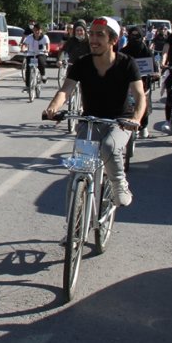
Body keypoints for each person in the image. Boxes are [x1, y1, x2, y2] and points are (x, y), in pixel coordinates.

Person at [43, 17, 145, 207]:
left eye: (100, 35)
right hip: (90, 121)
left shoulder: (127, 63)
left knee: (109, 146)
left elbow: (140, 95)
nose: (93, 39)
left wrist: (136, 118)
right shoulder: (82, 63)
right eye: (91, 34)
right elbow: (66, 89)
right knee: (77, 172)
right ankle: (72, 230)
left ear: (113, 40)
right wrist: (54, 107)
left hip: (120, 122)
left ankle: (119, 184)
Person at [120, 26, 154, 138]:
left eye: (137, 36)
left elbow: (153, 67)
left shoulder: (147, 52)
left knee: (143, 103)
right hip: (127, 83)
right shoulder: (124, 52)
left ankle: (143, 126)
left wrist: (155, 74)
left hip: (143, 82)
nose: (134, 38)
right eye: (132, 35)